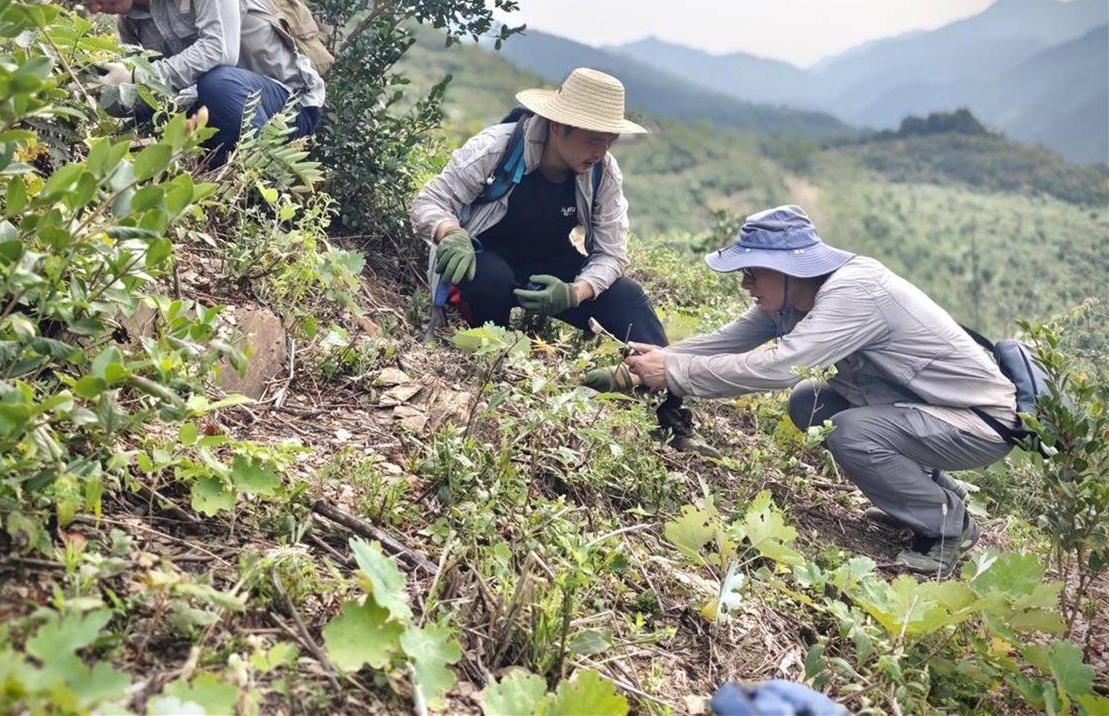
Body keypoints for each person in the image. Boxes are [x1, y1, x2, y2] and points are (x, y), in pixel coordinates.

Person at [623, 205, 1018, 573]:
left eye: (753, 272)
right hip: (928, 410)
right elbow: (728, 340)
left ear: (787, 267)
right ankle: (926, 499)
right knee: (810, 402)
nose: (745, 284)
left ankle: (948, 527)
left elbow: (779, 367)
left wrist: (675, 371)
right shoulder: (794, 295)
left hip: (977, 422)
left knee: (852, 433)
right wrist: (662, 357)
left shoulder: (852, 293)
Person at [410, 67, 703, 450]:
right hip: (490, 254)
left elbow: (612, 252)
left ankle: (669, 413)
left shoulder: (603, 173)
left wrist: (575, 291)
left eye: (609, 142)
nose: (600, 152)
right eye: (593, 140)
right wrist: (451, 234)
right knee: (489, 279)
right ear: (557, 126)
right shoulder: (495, 148)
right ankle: (494, 363)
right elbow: (430, 201)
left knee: (629, 297)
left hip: (551, 266)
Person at [44, 0, 325, 166]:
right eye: (80, 3)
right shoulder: (130, 23)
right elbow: (151, 100)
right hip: (214, 112)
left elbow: (219, 51)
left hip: (287, 107)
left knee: (218, 84)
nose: (93, 8)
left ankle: (262, 192)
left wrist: (136, 75)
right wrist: (105, 92)